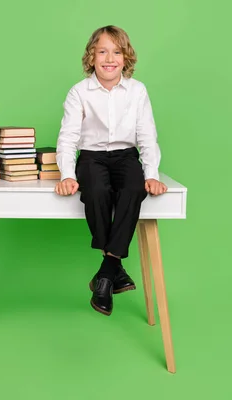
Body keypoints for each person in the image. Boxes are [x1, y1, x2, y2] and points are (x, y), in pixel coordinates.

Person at [54, 25, 168, 316]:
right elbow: (67, 136)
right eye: (102, 51)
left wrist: (152, 174)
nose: (109, 58)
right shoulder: (79, 92)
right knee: (95, 190)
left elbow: (146, 135)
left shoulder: (137, 90)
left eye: (116, 52)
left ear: (125, 57)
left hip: (126, 156)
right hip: (91, 157)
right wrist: (67, 174)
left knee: (133, 188)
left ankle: (105, 272)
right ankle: (113, 268)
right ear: (91, 56)